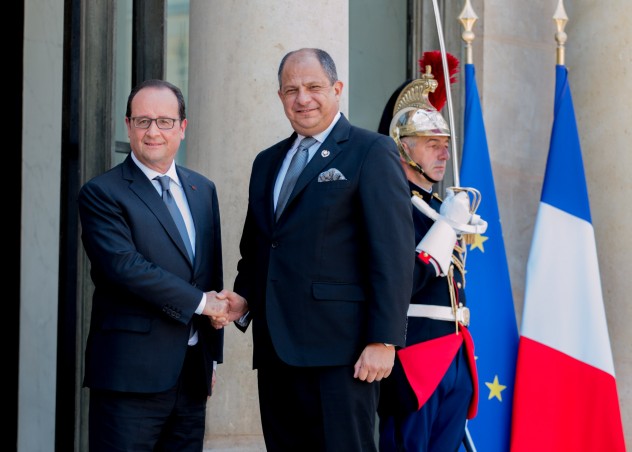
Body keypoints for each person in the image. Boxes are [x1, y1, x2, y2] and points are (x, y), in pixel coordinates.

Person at [216, 48, 415, 451]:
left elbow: (393, 254)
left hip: (343, 356)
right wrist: (244, 296)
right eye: (291, 90)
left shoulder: (370, 151)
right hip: (275, 355)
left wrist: (384, 340)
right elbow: (258, 245)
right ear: (280, 97)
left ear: (337, 89)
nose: (302, 99)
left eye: (313, 87)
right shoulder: (267, 162)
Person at [78, 79, 228, 451]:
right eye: (143, 121)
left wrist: (212, 358)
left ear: (182, 127)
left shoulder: (202, 189)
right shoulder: (102, 193)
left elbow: (210, 272)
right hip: (130, 376)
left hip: (191, 375)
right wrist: (202, 302)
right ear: (128, 126)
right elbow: (125, 267)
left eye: (164, 121)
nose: (153, 131)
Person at [376, 57, 486, 451]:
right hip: (415, 358)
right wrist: (445, 228)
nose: (443, 155)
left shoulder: (436, 206)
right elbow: (404, 280)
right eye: (431, 144)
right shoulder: (392, 203)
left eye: (445, 146)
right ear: (402, 149)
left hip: (455, 352)